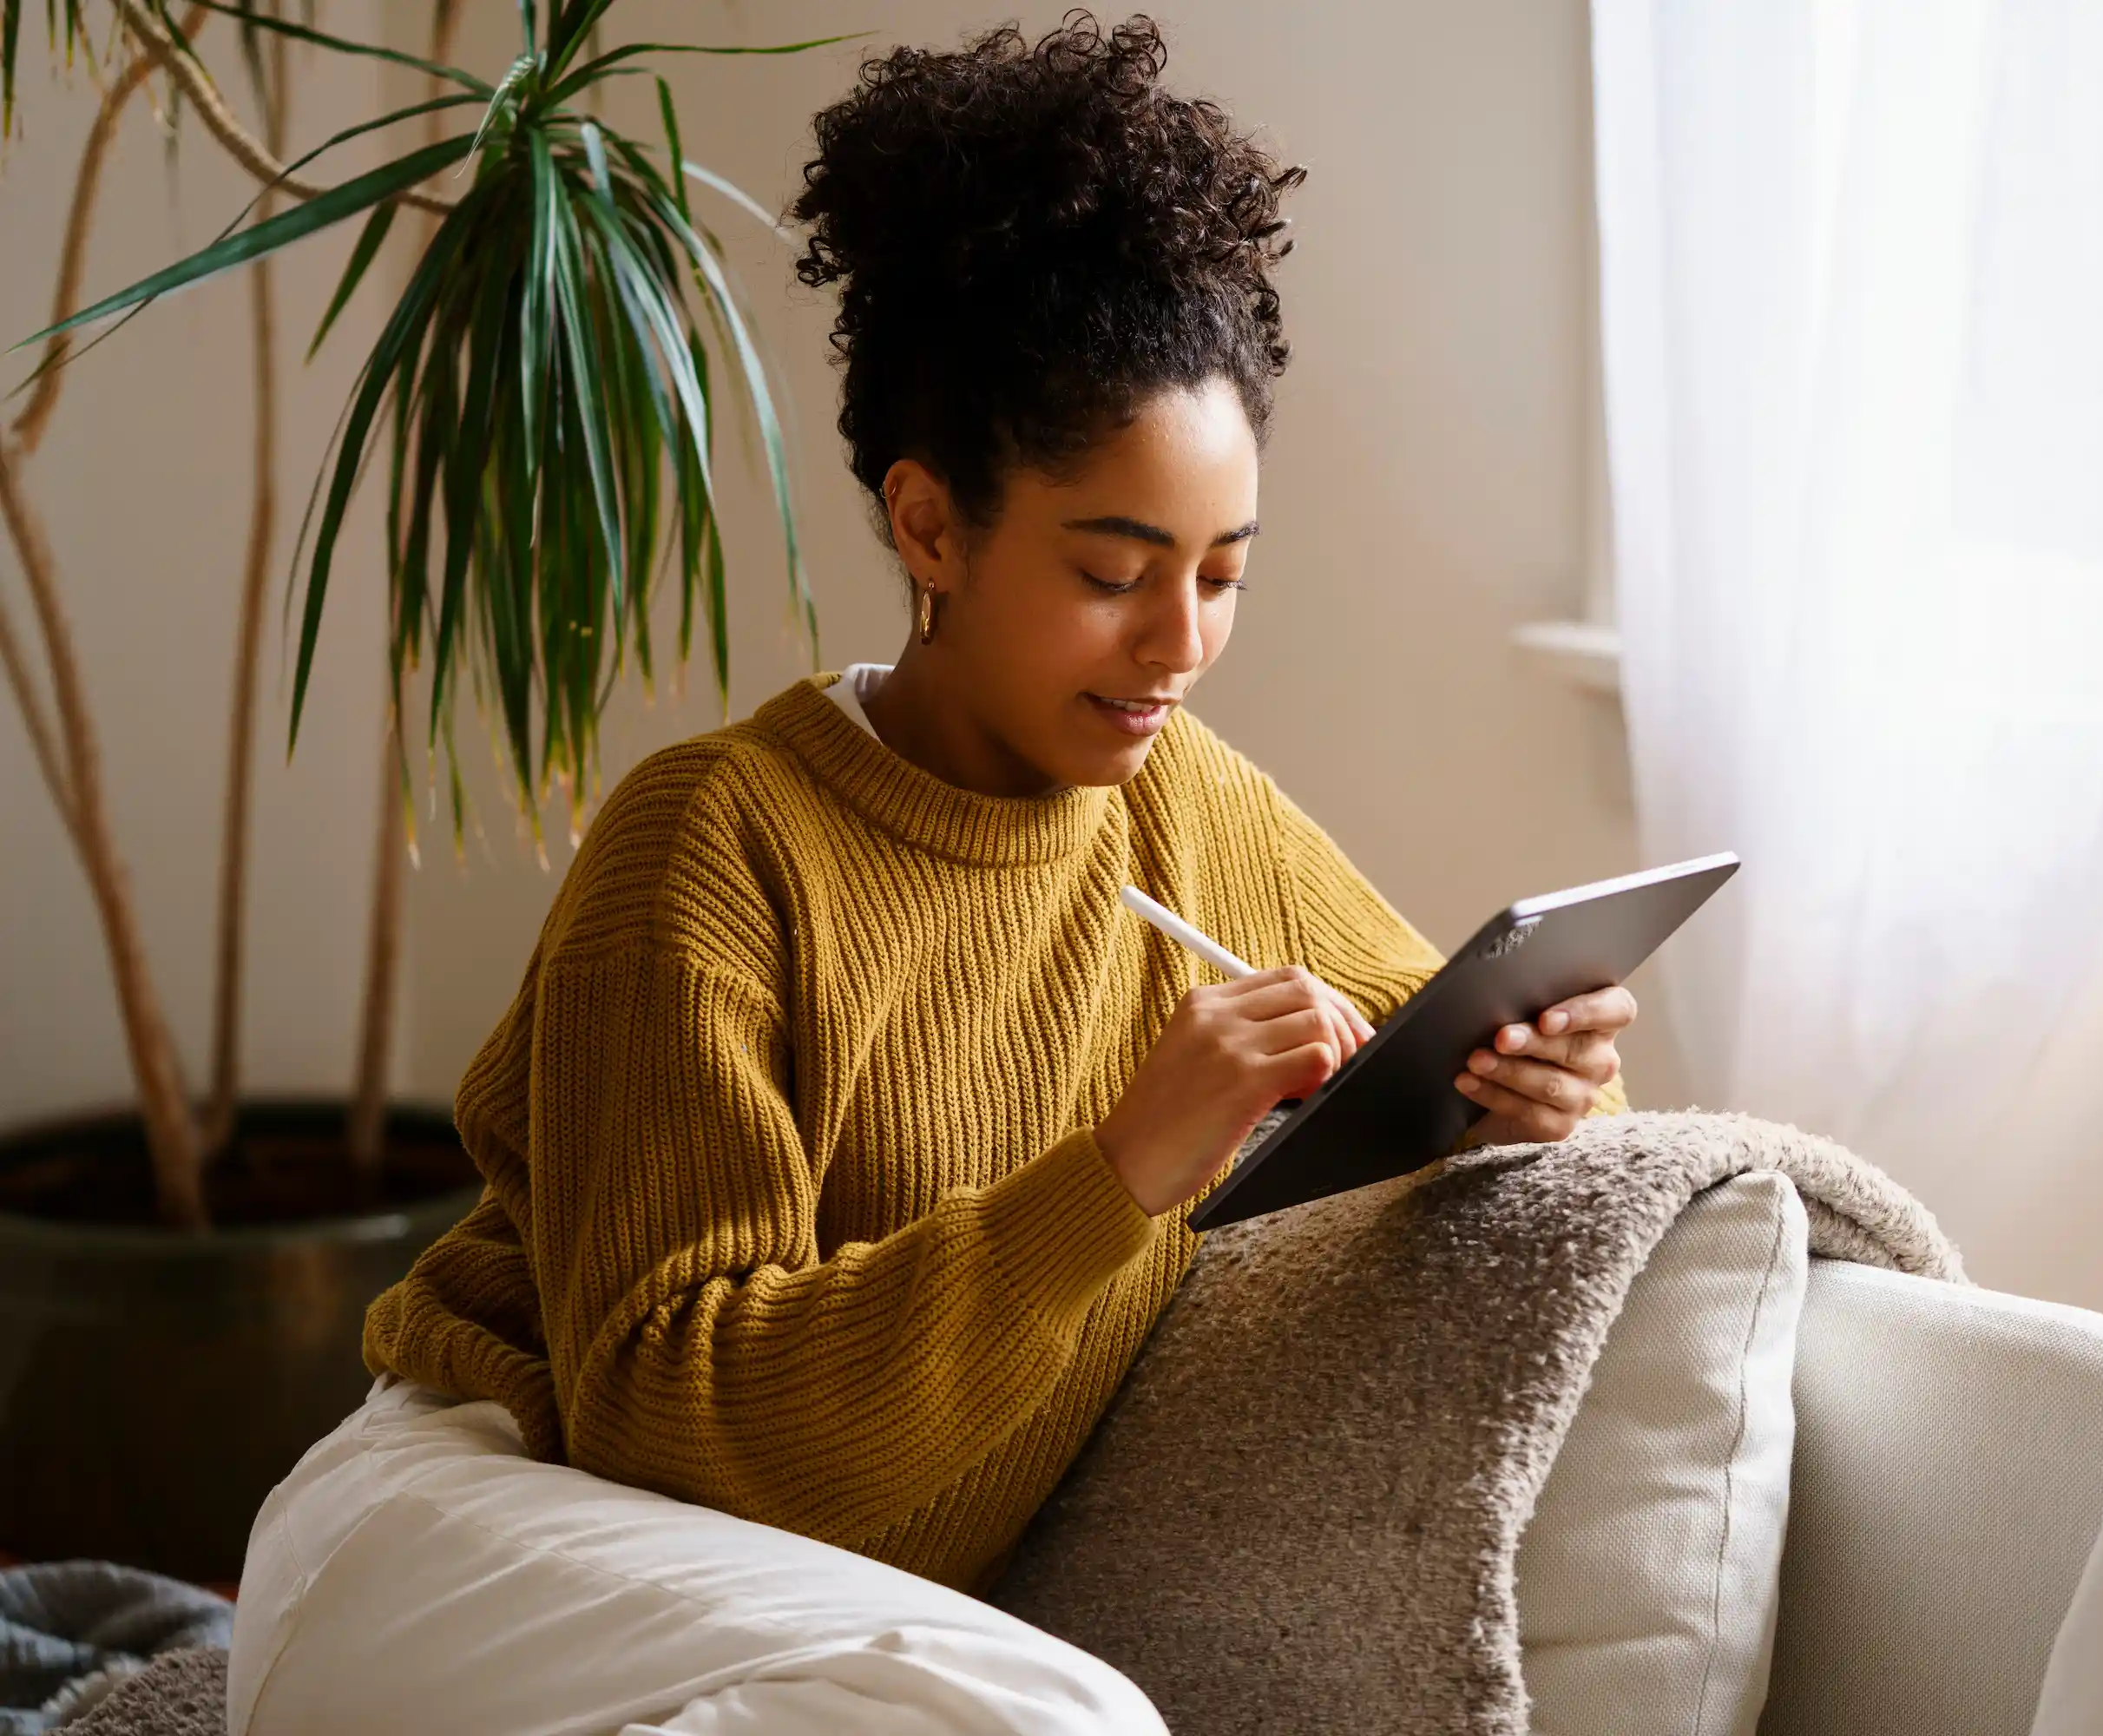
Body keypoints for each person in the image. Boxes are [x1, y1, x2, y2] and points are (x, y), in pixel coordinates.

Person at [226, 16, 1634, 1734]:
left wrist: (1536, 1081)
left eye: (1223, 573)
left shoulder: (1198, 811)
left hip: (814, 1609)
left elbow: (1436, 1051)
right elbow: (663, 1415)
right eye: (1117, 569)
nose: (1180, 641)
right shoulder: (714, 845)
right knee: (1053, 1721)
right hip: (476, 1530)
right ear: (928, 526)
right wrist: (1118, 1168)